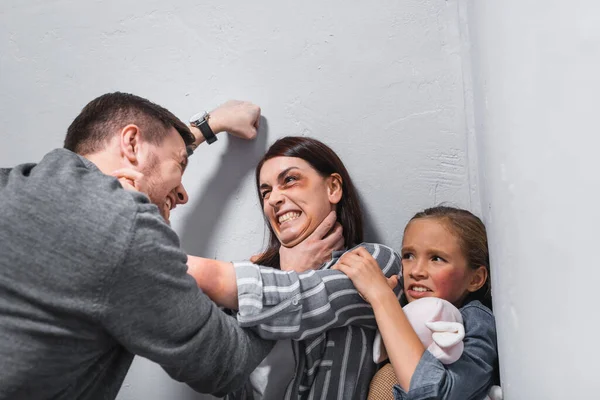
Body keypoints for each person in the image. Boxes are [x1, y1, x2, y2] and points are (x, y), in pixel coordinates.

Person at [0, 92, 274, 399]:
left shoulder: (12, 184)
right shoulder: (125, 228)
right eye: (180, 165)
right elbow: (224, 364)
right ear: (130, 144)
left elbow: (145, 151)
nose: (184, 195)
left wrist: (209, 125)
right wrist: (291, 272)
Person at [187, 136, 402, 399]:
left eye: (289, 180)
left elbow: (308, 304)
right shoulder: (254, 275)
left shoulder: (374, 262)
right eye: (265, 192)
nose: (274, 199)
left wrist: (289, 274)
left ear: (333, 187)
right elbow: (216, 369)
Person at [334, 206, 499, 400]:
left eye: (436, 258)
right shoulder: (403, 307)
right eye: (408, 256)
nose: (416, 271)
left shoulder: (476, 321)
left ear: (475, 279)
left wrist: (381, 296)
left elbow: (434, 394)